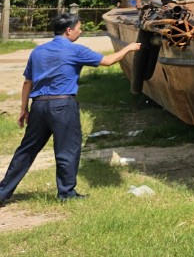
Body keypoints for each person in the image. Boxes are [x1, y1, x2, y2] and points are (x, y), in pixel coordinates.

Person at [0, 12, 140, 205]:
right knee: (67, 149)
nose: (80, 31)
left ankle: (2, 192)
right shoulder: (75, 50)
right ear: (69, 30)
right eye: (79, 28)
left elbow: (27, 83)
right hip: (63, 105)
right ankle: (66, 193)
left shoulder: (37, 51)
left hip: (39, 106)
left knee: (26, 150)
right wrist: (129, 48)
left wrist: (24, 109)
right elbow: (108, 61)